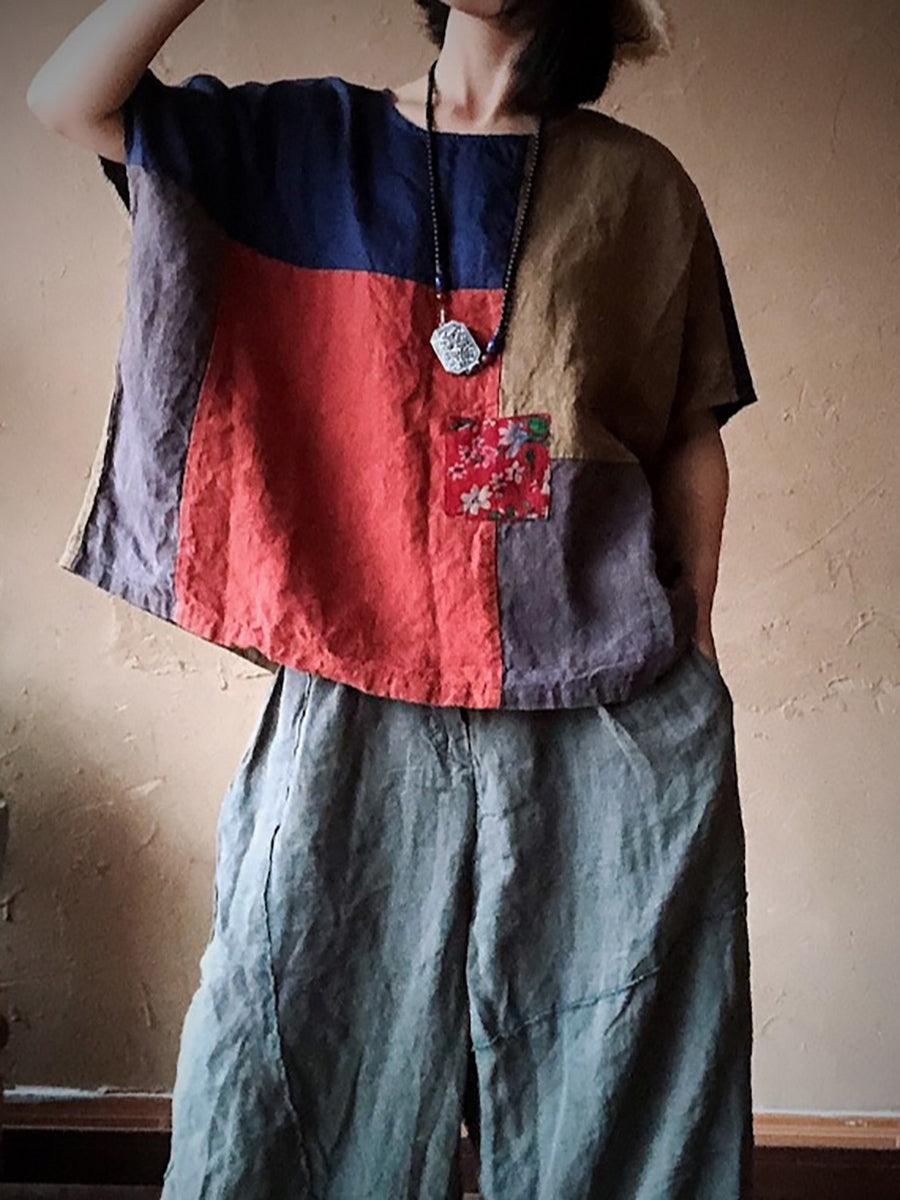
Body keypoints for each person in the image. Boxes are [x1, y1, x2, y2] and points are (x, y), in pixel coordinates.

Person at [28, 0, 758, 1195]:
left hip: (602, 704)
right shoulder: (306, 146)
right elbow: (69, 98)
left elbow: (688, 434)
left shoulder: (642, 189)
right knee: (283, 1070)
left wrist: (702, 657)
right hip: (354, 691)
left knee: (619, 1089)